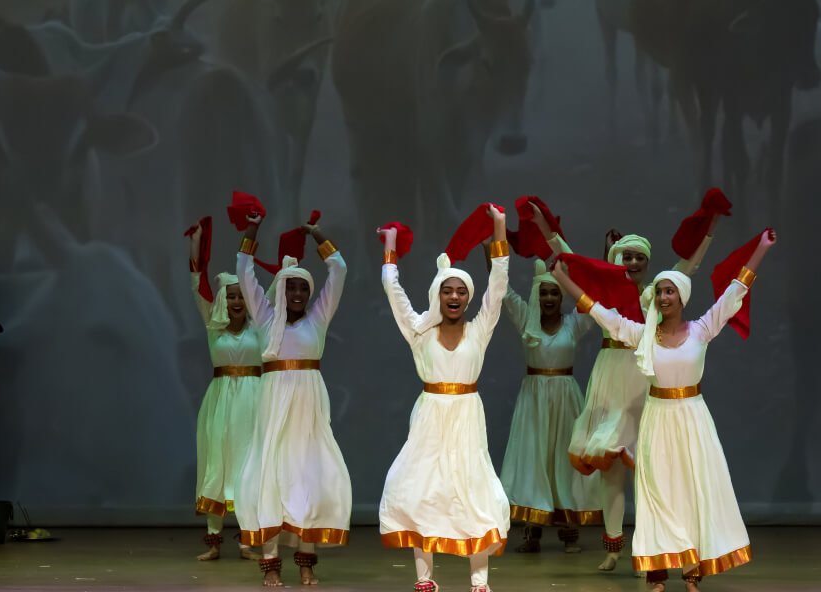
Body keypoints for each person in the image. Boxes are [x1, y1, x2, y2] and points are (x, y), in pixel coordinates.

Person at [551, 229, 777, 590]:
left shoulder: (702, 329)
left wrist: (761, 249)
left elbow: (735, 293)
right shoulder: (640, 335)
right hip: (657, 418)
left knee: (692, 489)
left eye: (670, 291)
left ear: (681, 297)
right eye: (659, 292)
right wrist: (562, 278)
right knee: (656, 492)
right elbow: (598, 311)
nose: (664, 297)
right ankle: (657, 569)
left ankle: (692, 568)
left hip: (692, 419)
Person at [530, 205, 718, 571]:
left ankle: (665, 544)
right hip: (610, 378)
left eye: (637, 256)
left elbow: (688, 268)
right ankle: (614, 546)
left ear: (646, 261)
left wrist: (709, 230)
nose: (631, 261)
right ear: (615, 259)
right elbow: (567, 259)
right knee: (611, 469)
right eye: (625, 256)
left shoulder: (656, 293)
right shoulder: (603, 289)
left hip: (646, 379)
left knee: (656, 468)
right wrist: (544, 227)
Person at [377, 206, 511, 592]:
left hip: (467, 416)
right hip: (431, 417)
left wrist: (499, 226)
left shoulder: (479, 329)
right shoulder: (419, 331)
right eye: (448, 290)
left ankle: (479, 581)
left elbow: (498, 285)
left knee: (473, 488)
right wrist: (390, 245)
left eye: (461, 291)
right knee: (423, 488)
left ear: (468, 298)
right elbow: (393, 290)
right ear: (437, 295)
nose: (454, 296)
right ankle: (424, 578)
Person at [234, 212, 351, 587]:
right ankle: (270, 564)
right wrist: (252, 229)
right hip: (274, 408)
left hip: (309, 408)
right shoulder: (266, 321)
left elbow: (340, 270)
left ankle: (306, 563)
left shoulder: (318, 320)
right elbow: (244, 270)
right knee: (272, 474)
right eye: (291, 288)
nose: (298, 295)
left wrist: (318, 234)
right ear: (281, 292)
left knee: (308, 478)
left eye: (303, 289)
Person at [498, 245, 602, 554]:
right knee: (534, 459)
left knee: (563, 459)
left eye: (554, 294)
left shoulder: (574, 323)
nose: (548, 299)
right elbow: (502, 290)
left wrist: (607, 258)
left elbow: (596, 300)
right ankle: (532, 532)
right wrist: (492, 252)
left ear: (561, 297)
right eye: (543, 293)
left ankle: (569, 531)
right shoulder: (526, 320)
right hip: (533, 399)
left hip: (565, 397)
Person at [187, 219, 263, 561]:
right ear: (222, 300)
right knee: (216, 462)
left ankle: (249, 539)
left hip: (254, 400)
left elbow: (276, 292)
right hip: (219, 400)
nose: (236, 301)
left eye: (241, 296)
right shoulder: (212, 325)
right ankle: (214, 539)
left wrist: (256, 235)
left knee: (249, 465)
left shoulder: (260, 326)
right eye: (230, 296)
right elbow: (196, 281)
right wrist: (198, 242)